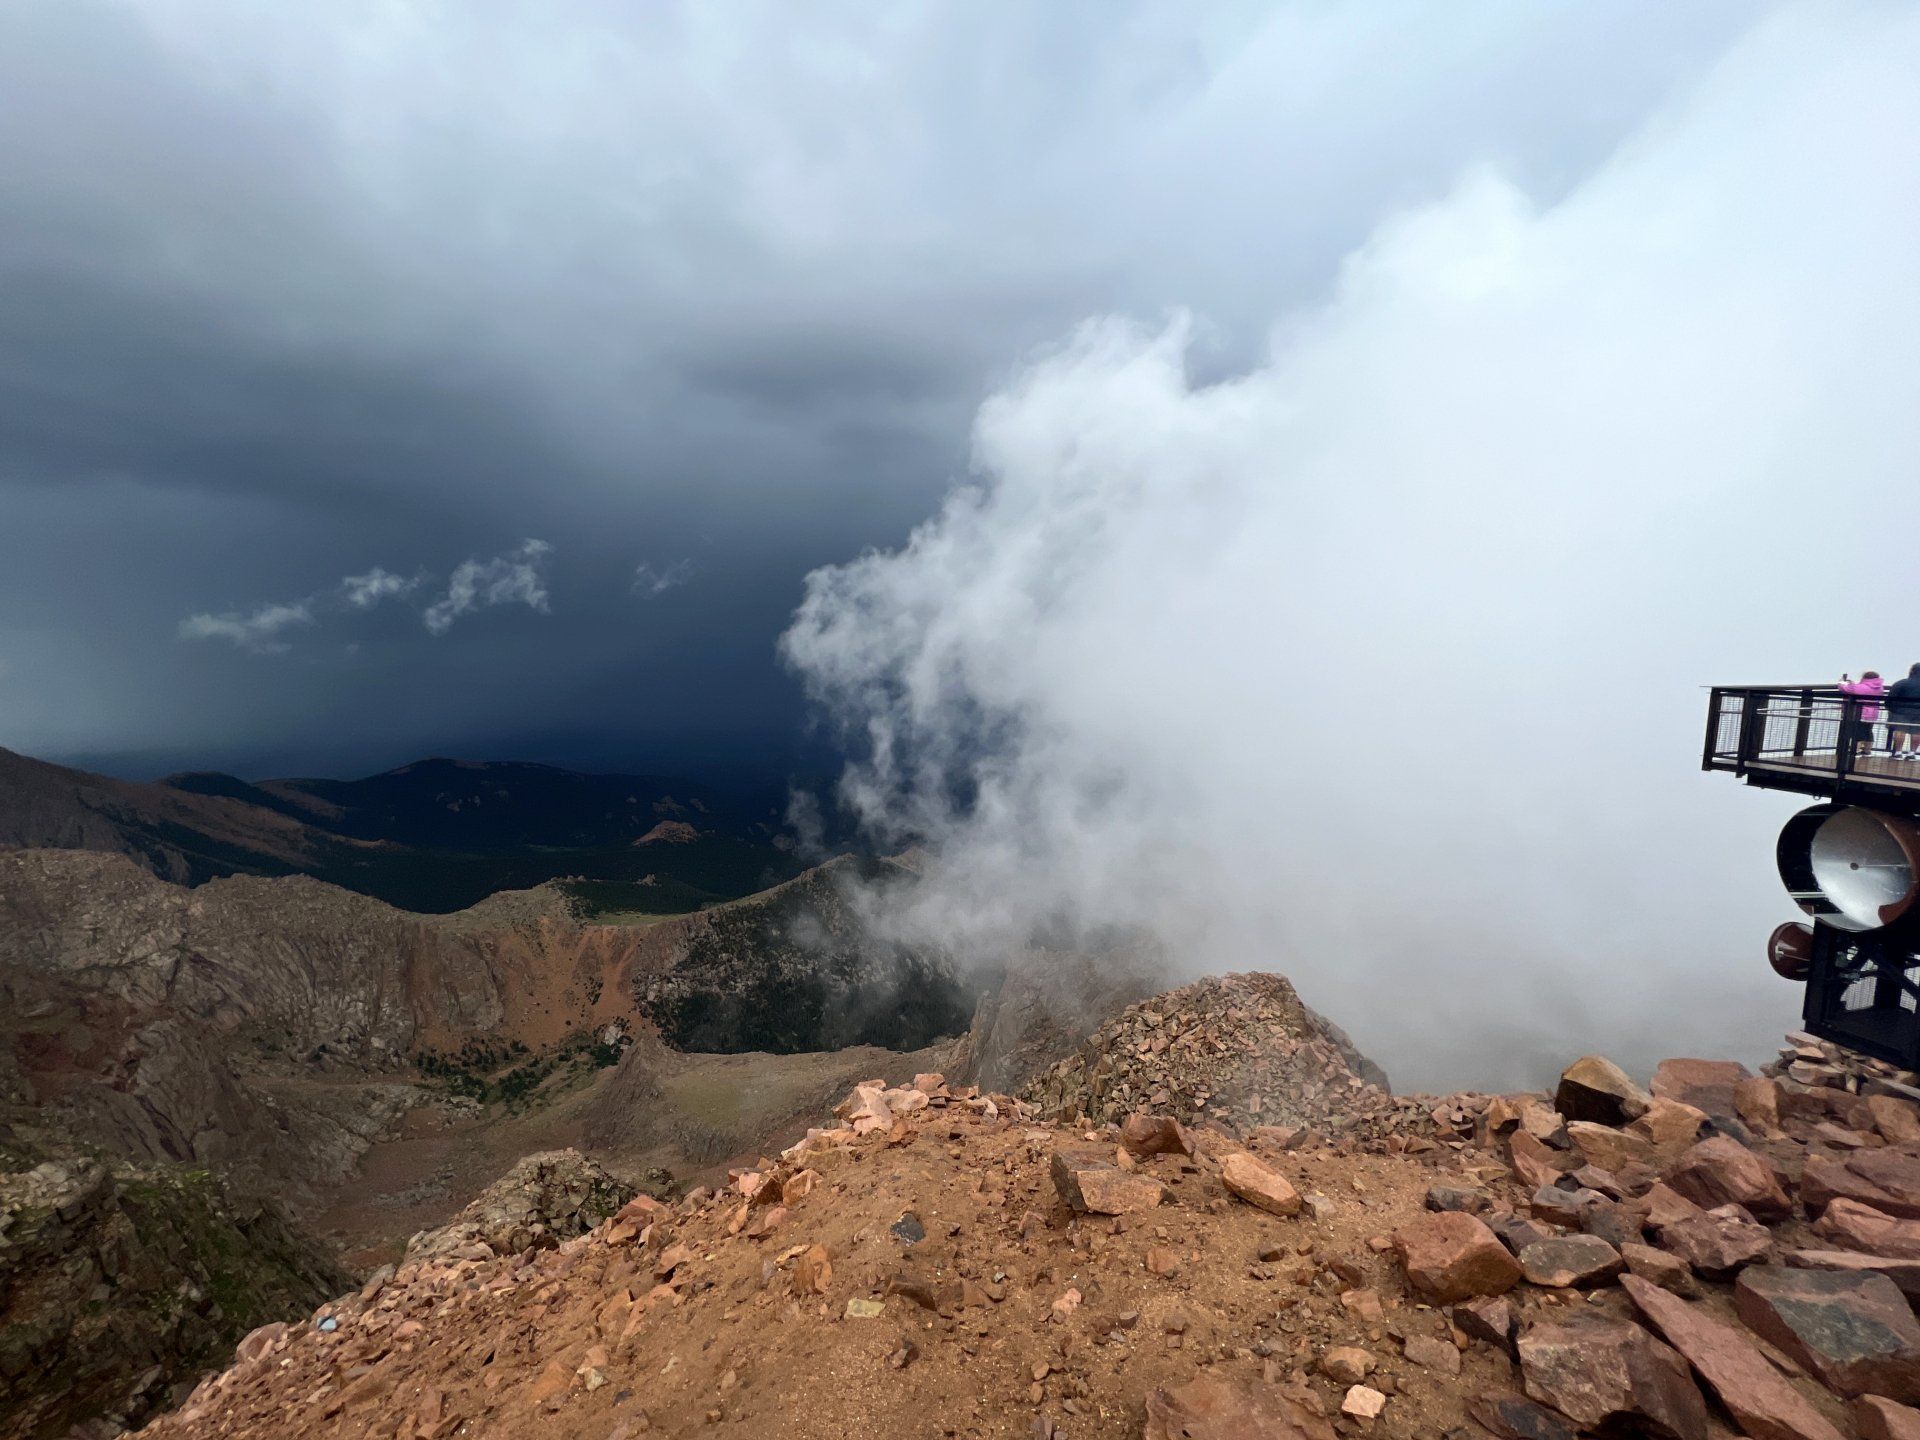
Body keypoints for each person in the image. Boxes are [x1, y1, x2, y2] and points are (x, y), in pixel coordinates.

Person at [1840, 670, 1886, 763]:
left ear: (1865, 677)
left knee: (1857, 731)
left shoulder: (1862, 687)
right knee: (1868, 731)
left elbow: (1847, 689)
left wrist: (1841, 682)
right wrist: (1852, 684)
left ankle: (1854, 751)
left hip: (1860, 713)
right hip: (1873, 713)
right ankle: (1867, 751)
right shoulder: (1879, 688)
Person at [1888, 663, 1920, 761]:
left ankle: (1898, 753)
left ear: (1912, 671)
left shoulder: (1901, 683)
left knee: (1900, 730)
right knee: (1917, 732)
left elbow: (1891, 699)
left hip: (1901, 711)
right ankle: (1912, 754)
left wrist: (1893, 709)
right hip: (1919, 712)